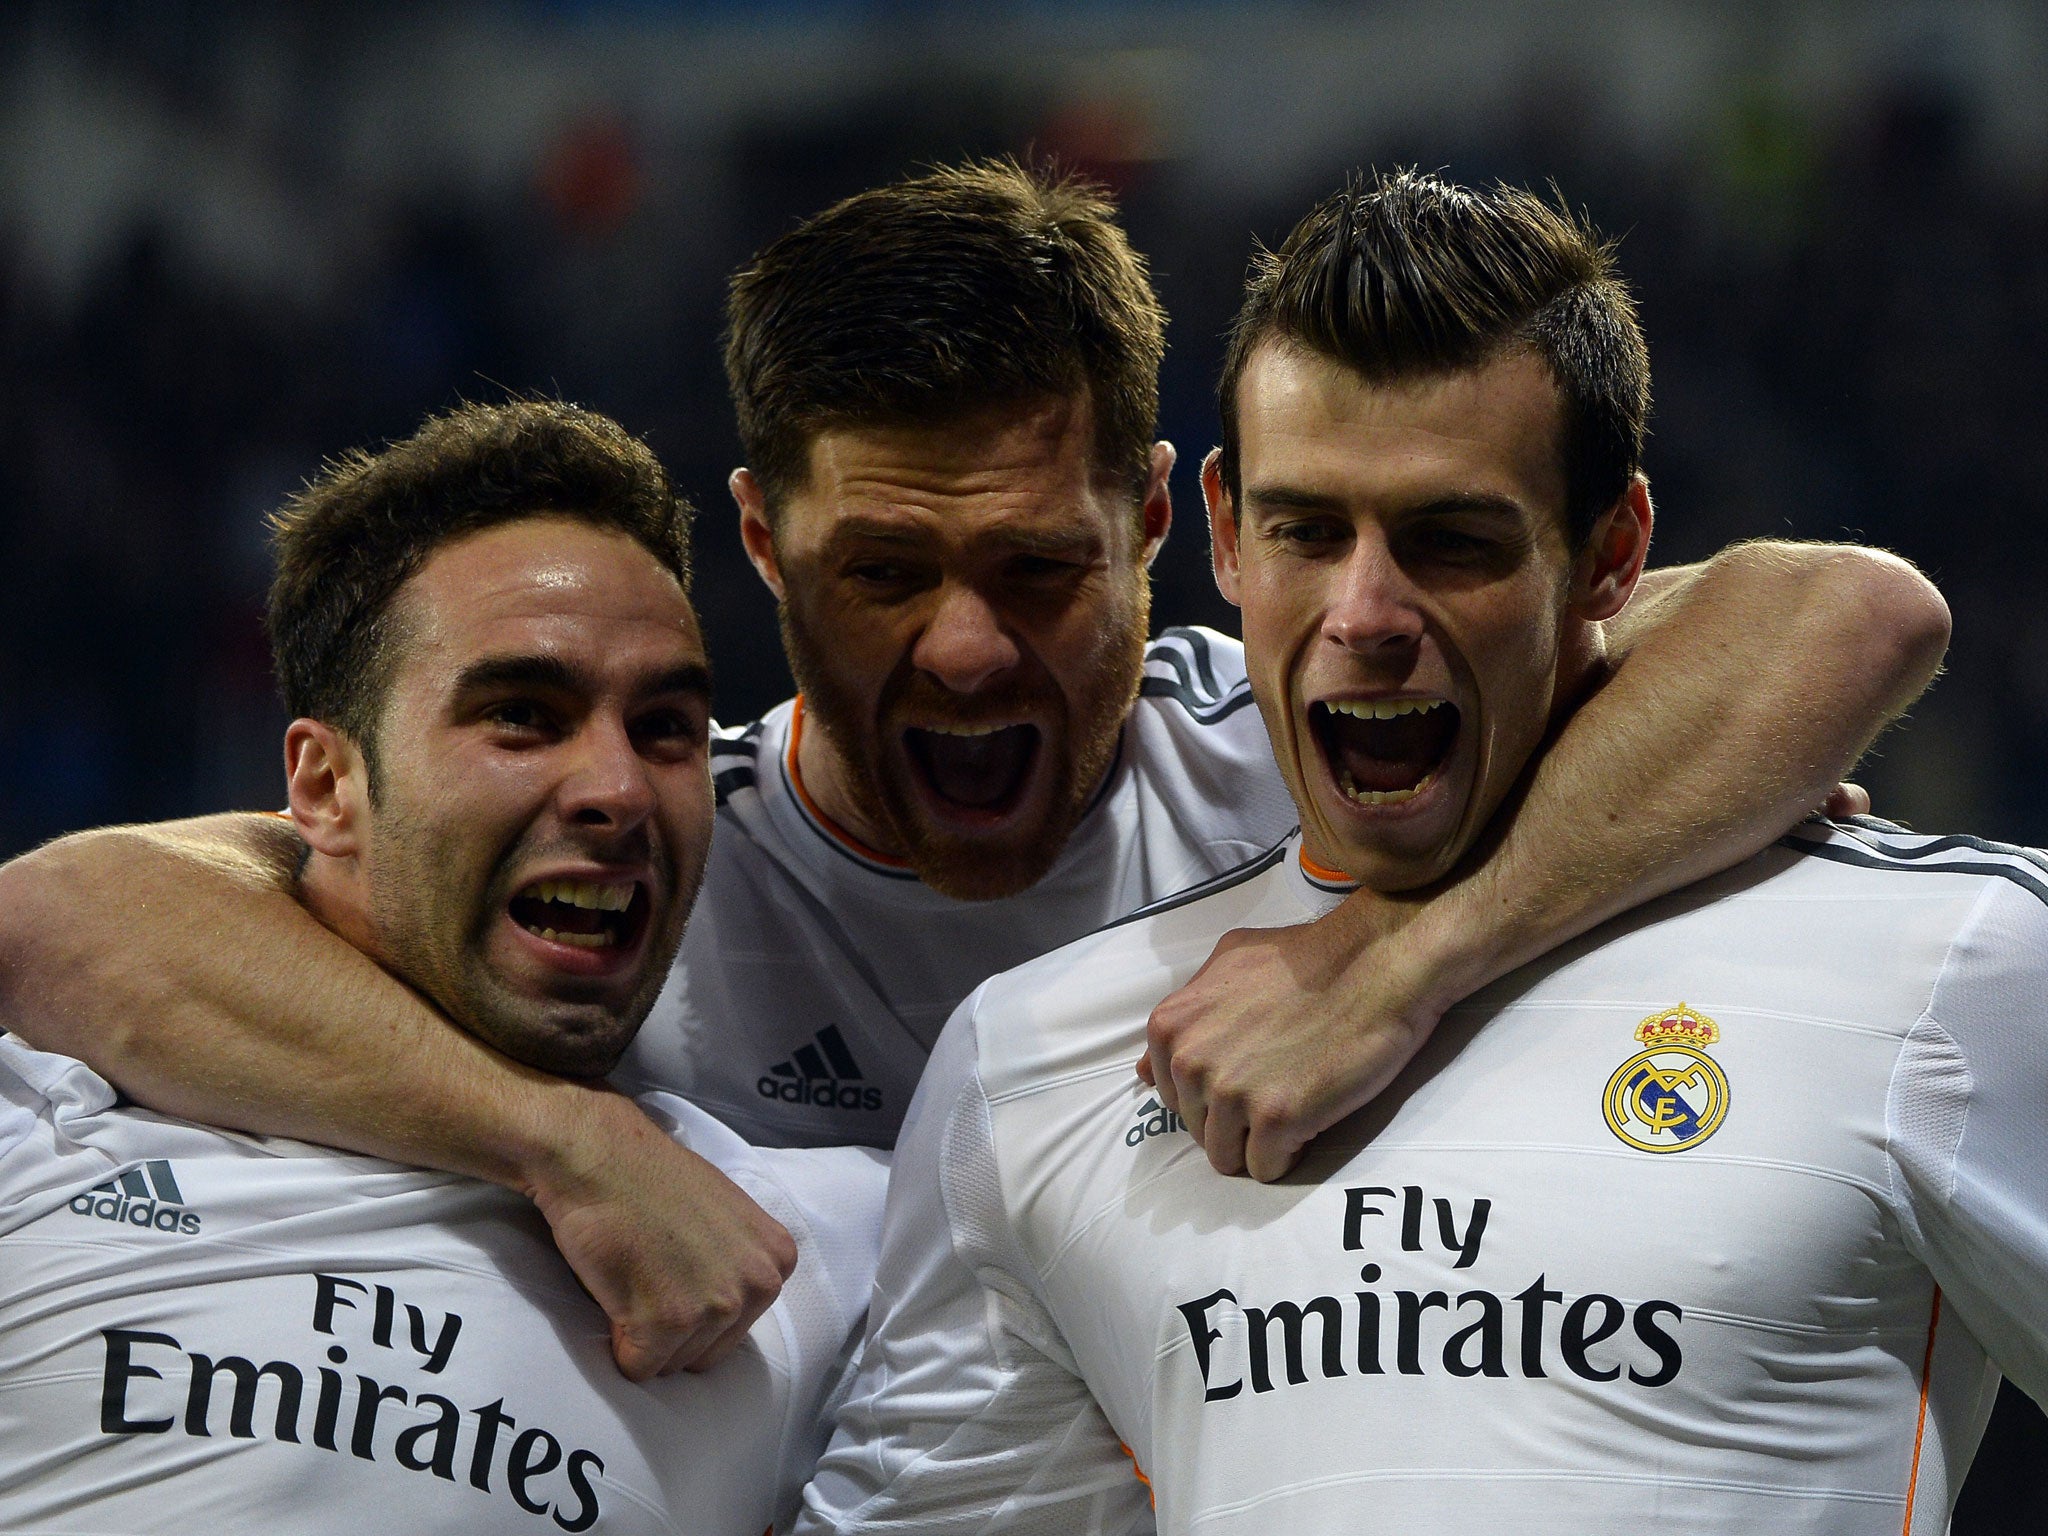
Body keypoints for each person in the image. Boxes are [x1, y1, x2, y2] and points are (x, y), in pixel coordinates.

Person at [0, 162, 1947, 1376]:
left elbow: (1837, 617)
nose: (960, 648)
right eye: (882, 574)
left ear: (1161, 522)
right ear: (758, 547)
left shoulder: (1310, 738)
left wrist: (1400, 960)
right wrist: (559, 1137)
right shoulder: (642, 851)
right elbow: (66, 921)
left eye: (1034, 570)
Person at [792, 170, 2043, 1536]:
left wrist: (1396, 960)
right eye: (1306, 532)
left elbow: (1855, 605)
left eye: (1451, 542)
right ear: (1218, 527)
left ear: (1615, 553)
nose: (1365, 613)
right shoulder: (1033, 1061)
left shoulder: (1940, 960)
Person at [0, 402, 884, 1534]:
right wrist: (563, 1143)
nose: (617, 787)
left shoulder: (814, 1246)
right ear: (324, 788)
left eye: (664, 726)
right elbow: (45, 914)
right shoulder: (44, 1129)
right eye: (521, 716)